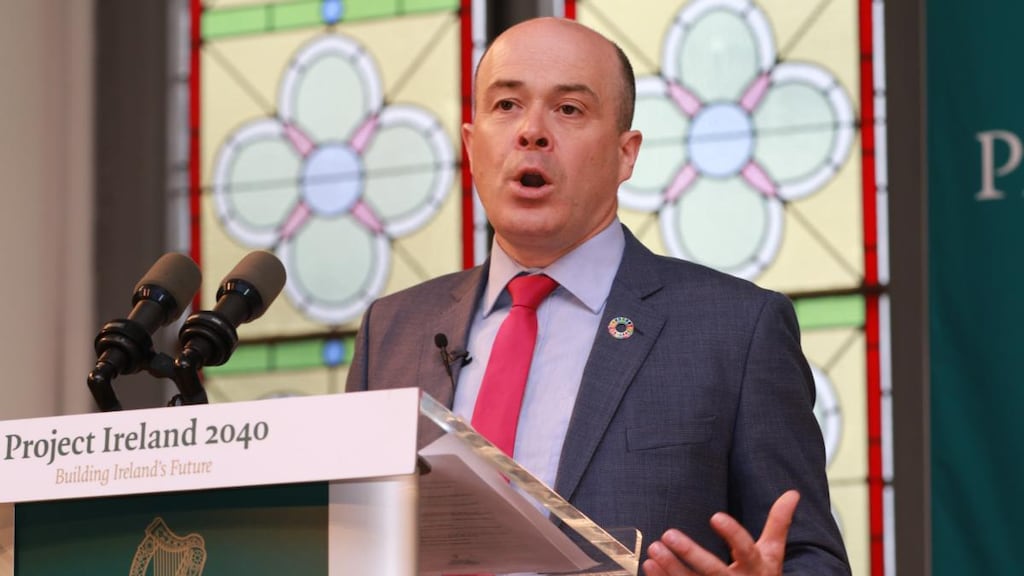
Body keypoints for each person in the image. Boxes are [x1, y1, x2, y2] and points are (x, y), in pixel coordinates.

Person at [346, 17, 850, 575]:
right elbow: (348, 544)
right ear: (471, 144)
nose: (531, 131)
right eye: (506, 105)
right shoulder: (392, 330)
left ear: (625, 154)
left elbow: (810, 558)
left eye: (569, 110)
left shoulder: (736, 331)